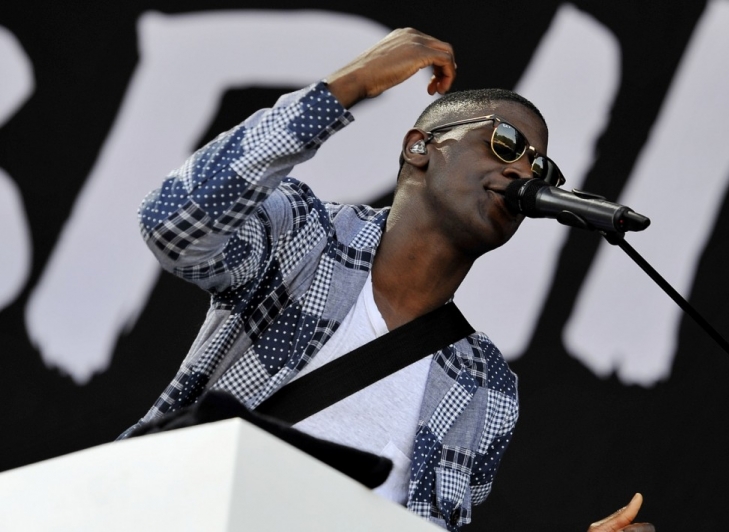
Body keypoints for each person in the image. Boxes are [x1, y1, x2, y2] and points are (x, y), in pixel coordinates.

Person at [120, 27, 651, 531]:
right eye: (504, 142)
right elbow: (171, 223)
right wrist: (351, 83)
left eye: (544, 169)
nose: (524, 171)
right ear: (419, 148)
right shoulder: (305, 237)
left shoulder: (488, 387)